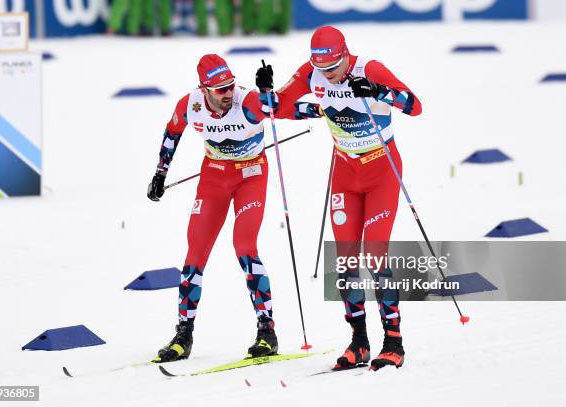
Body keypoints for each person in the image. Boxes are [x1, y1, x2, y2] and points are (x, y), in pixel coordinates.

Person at [256, 25, 422, 370]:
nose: (328, 77)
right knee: (345, 262)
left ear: (346, 55)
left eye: (333, 68)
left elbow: (414, 105)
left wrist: (379, 90)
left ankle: (394, 343)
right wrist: (266, 91)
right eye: (321, 70)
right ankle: (359, 343)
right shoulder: (311, 73)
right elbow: (275, 109)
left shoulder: (369, 69)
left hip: (381, 170)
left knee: (375, 257)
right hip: (345, 175)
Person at [147, 54, 321, 362]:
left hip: (250, 176)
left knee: (244, 245)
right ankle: (183, 335)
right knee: (195, 252)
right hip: (213, 177)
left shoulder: (248, 101)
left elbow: (282, 110)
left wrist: (320, 109)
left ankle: (267, 332)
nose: (228, 93)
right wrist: (161, 172)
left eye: (230, 85)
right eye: (220, 90)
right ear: (204, 90)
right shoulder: (191, 105)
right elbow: (172, 133)